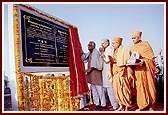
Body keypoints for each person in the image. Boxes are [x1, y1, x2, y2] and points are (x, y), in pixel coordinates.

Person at [129, 30, 156, 111]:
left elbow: (151, 59)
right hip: (138, 71)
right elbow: (131, 59)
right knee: (140, 88)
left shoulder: (146, 45)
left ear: (139, 37)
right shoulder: (132, 48)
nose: (133, 39)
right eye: (132, 38)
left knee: (150, 87)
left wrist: (144, 61)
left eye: (134, 38)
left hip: (147, 70)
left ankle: (151, 105)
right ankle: (141, 105)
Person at [108, 37, 132, 111]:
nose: (112, 44)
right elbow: (109, 62)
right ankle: (121, 105)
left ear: (118, 43)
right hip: (114, 72)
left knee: (124, 90)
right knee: (117, 90)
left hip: (122, 73)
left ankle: (127, 106)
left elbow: (127, 61)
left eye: (114, 43)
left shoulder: (124, 50)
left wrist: (115, 61)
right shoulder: (112, 51)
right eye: (112, 43)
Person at [81, 41, 106, 110]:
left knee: (99, 90)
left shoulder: (95, 52)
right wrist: (81, 51)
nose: (88, 47)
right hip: (91, 75)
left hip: (96, 73)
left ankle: (103, 104)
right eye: (88, 45)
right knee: (94, 90)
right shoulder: (90, 53)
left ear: (93, 46)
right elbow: (84, 58)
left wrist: (86, 71)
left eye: (90, 45)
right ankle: (97, 103)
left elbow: (93, 65)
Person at [99, 39, 119, 110]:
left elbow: (107, 61)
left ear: (107, 43)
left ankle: (115, 106)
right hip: (106, 72)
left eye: (103, 43)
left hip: (108, 72)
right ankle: (114, 104)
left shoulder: (109, 49)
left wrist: (102, 53)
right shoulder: (107, 50)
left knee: (110, 90)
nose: (101, 45)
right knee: (109, 90)